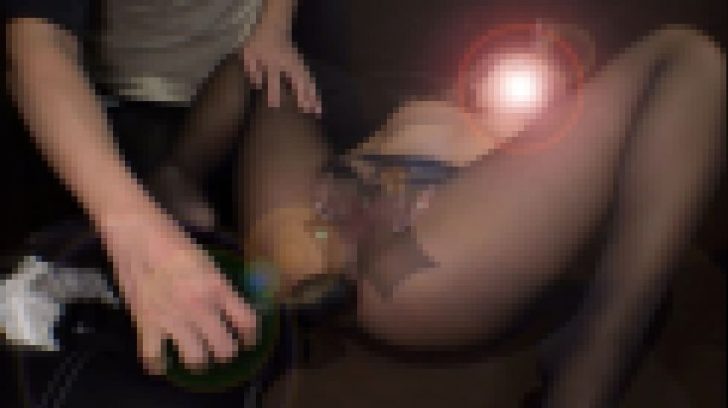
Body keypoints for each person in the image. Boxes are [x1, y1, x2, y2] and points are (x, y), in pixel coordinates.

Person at [241, 23, 725, 408]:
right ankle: (195, 199)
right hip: (310, 218)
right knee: (270, 63)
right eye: (514, 54)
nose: (529, 60)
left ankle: (596, 355)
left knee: (687, 53)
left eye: (551, 65)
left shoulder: (538, 149)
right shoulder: (402, 101)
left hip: (425, 244)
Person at [4, 0, 323, 380]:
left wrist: (274, 29)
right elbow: (38, 42)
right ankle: (175, 177)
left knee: (314, 273)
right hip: (111, 104)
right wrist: (136, 232)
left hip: (242, 73)